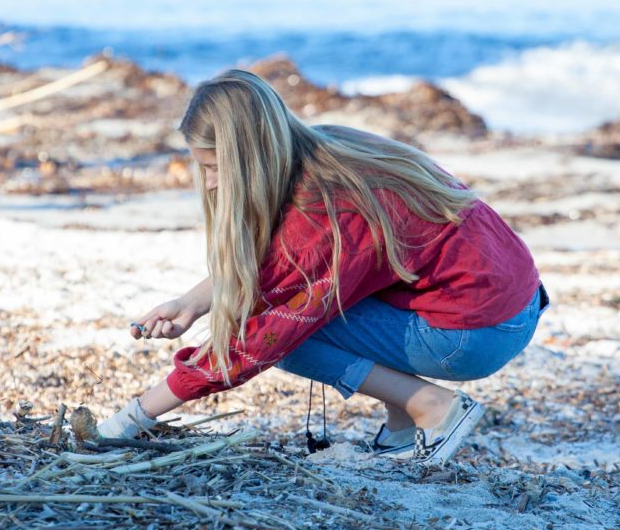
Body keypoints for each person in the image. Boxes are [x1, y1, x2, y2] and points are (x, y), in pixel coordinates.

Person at [98, 69, 547, 464]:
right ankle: (403, 417)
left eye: (217, 168)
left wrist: (131, 417)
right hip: (512, 299)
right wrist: (193, 302)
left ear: (252, 157)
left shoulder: (323, 209)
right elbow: (274, 264)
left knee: (284, 333)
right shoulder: (328, 146)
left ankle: (433, 406)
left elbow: (258, 342)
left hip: (477, 333)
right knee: (324, 293)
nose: (211, 184)